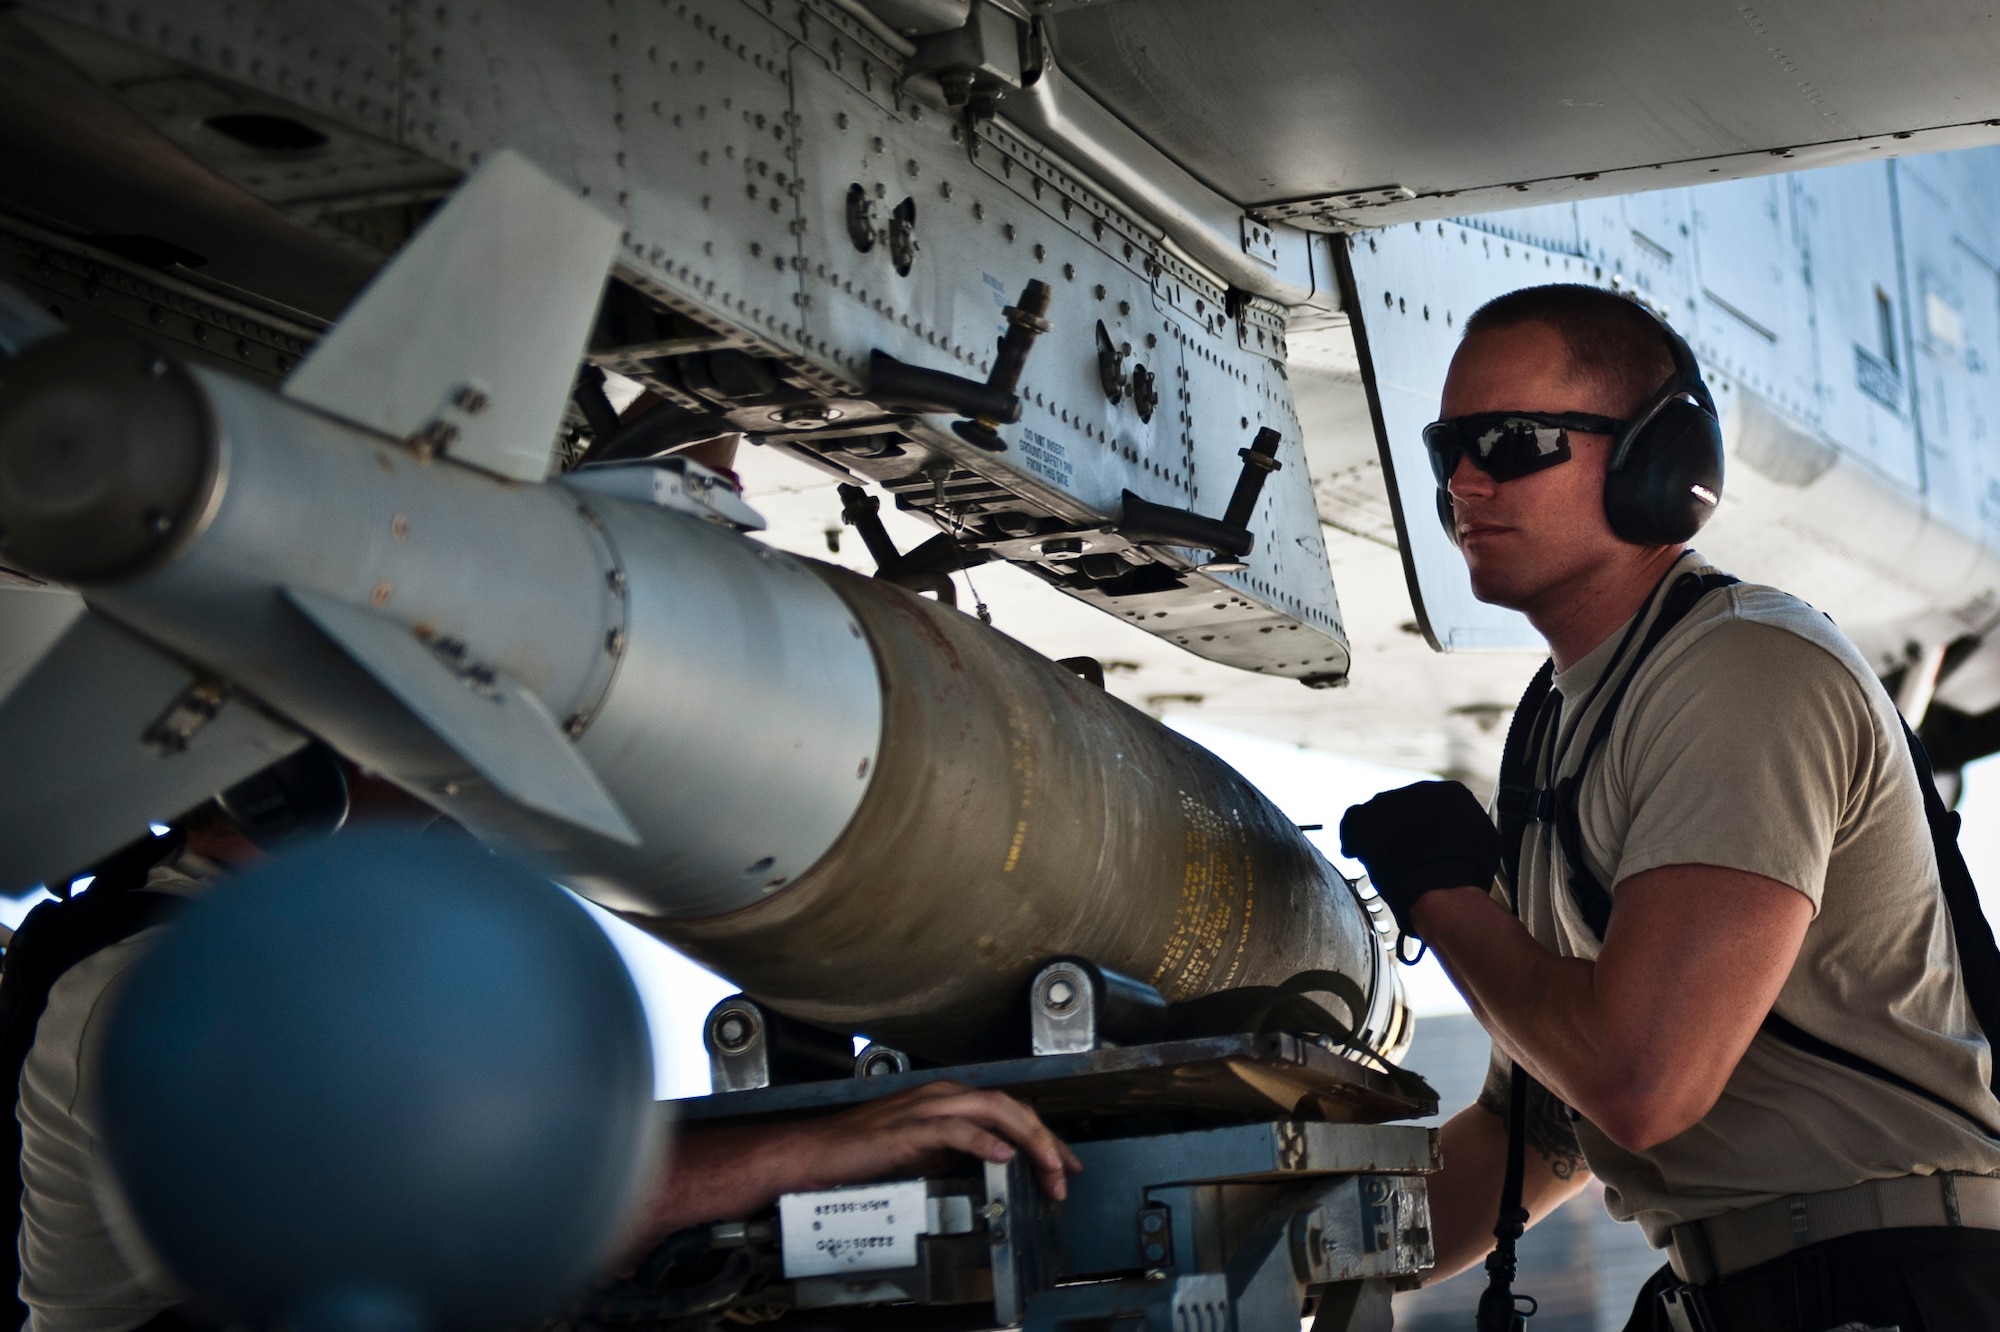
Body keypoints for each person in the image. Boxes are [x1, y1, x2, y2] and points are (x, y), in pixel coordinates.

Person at [1338, 284, 2000, 1331]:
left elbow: (1642, 1081)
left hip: (1891, 1282)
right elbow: (1547, 1128)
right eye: (1447, 447)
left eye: (1512, 442)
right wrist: (1303, 1249)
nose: (1463, 480)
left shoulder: (1740, 670)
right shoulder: (1558, 730)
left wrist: (1444, 897)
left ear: (1658, 463)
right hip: (1757, 1289)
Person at [9, 760, 1075, 1332]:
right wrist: (801, 1156)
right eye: (409, 754)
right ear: (290, 785)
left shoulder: (298, 966)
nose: (452, 795)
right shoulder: (146, 995)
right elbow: (424, 1231)